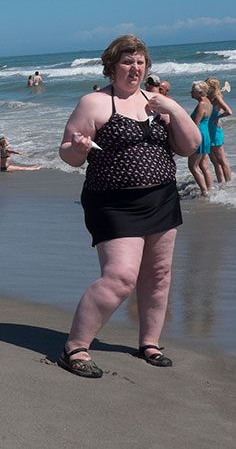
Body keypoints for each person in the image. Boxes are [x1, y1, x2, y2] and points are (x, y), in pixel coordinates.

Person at [58, 34, 199, 378]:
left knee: (159, 275)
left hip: (162, 198)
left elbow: (191, 146)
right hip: (113, 201)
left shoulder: (158, 102)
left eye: (140, 62)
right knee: (121, 277)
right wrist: (79, 146)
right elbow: (68, 154)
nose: (134, 68)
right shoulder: (94, 103)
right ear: (112, 66)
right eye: (127, 61)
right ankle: (75, 346)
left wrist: (174, 109)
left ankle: (149, 343)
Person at [188, 81, 213, 196]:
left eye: (193, 90)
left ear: (199, 92)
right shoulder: (209, 102)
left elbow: (195, 124)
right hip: (206, 134)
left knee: (193, 166)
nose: (190, 92)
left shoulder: (201, 104)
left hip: (199, 134)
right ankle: (210, 189)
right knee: (204, 165)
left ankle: (204, 191)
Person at [205, 77, 232, 182]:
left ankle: (229, 184)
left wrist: (217, 117)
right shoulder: (208, 98)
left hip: (215, 131)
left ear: (211, 87)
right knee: (214, 161)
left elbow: (229, 111)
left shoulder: (217, 98)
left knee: (222, 161)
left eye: (207, 85)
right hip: (208, 130)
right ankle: (221, 184)